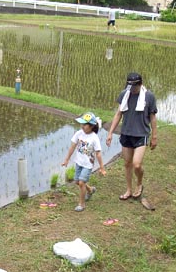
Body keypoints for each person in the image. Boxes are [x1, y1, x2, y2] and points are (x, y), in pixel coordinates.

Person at [106, 72, 158, 210]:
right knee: (127, 163)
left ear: (140, 84)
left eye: (134, 86)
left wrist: (154, 136)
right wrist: (110, 132)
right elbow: (119, 114)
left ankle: (139, 183)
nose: (132, 89)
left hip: (141, 134)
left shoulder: (149, 97)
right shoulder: (124, 94)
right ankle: (129, 190)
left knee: (136, 164)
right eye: (130, 86)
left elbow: (152, 117)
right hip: (126, 133)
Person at [61, 112, 106, 212]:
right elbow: (72, 146)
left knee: (81, 183)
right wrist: (67, 159)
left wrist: (102, 168)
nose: (82, 126)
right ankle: (90, 190)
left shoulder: (94, 138)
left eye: (84, 124)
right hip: (79, 162)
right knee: (77, 182)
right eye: (81, 124)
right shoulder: (79, 133)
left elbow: (98, 153)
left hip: (88, 164)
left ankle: (81, 204)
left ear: (91, 126)